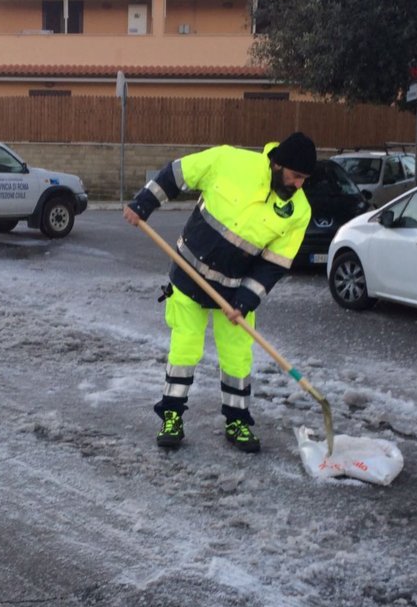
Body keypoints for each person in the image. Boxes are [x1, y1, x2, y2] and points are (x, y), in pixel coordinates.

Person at [123, 132, 316, 452]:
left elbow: (275, 263)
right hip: (188, 276)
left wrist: (246, 300)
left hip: (235, 292)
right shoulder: (230, 161)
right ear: (277, 164)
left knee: (238, 358)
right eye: (296, 176)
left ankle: (237, 421)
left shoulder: (298, 210)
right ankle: (171, 417)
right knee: (184, 351)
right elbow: (177, 173)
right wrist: (144, 203)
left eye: (304, 180)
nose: (298, 185)